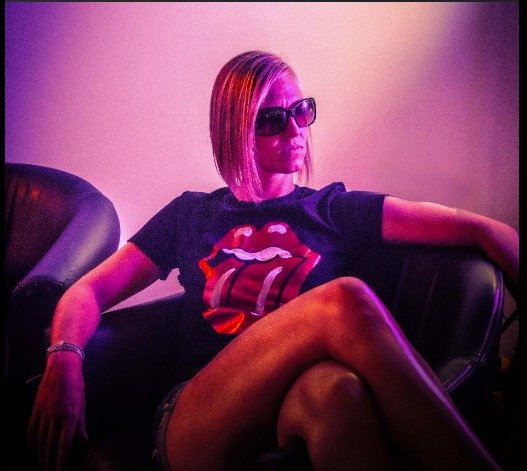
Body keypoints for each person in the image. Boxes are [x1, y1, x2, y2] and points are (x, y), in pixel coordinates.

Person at [28, 50, 518, 471]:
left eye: (302, 111)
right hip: (198, 417)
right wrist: (64, 359)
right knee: (343, 300)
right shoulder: (191, 214)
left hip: (297, 402)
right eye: (273, 119)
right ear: (237, 130)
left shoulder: (335, 210)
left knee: (339, 393)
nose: (296, 129)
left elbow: (483, 230)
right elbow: (87, 290)